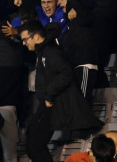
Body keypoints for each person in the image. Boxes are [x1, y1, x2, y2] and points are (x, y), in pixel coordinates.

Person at [19, 21, 101, 162]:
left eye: (25, 39)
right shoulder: (43, 52)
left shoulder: (50, 52)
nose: (24, 43)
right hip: (45, 103)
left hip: (52, 104)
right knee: (32, 142)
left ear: (36, 36)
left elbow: (66, 73)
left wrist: (50, 96)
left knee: (35, 146)